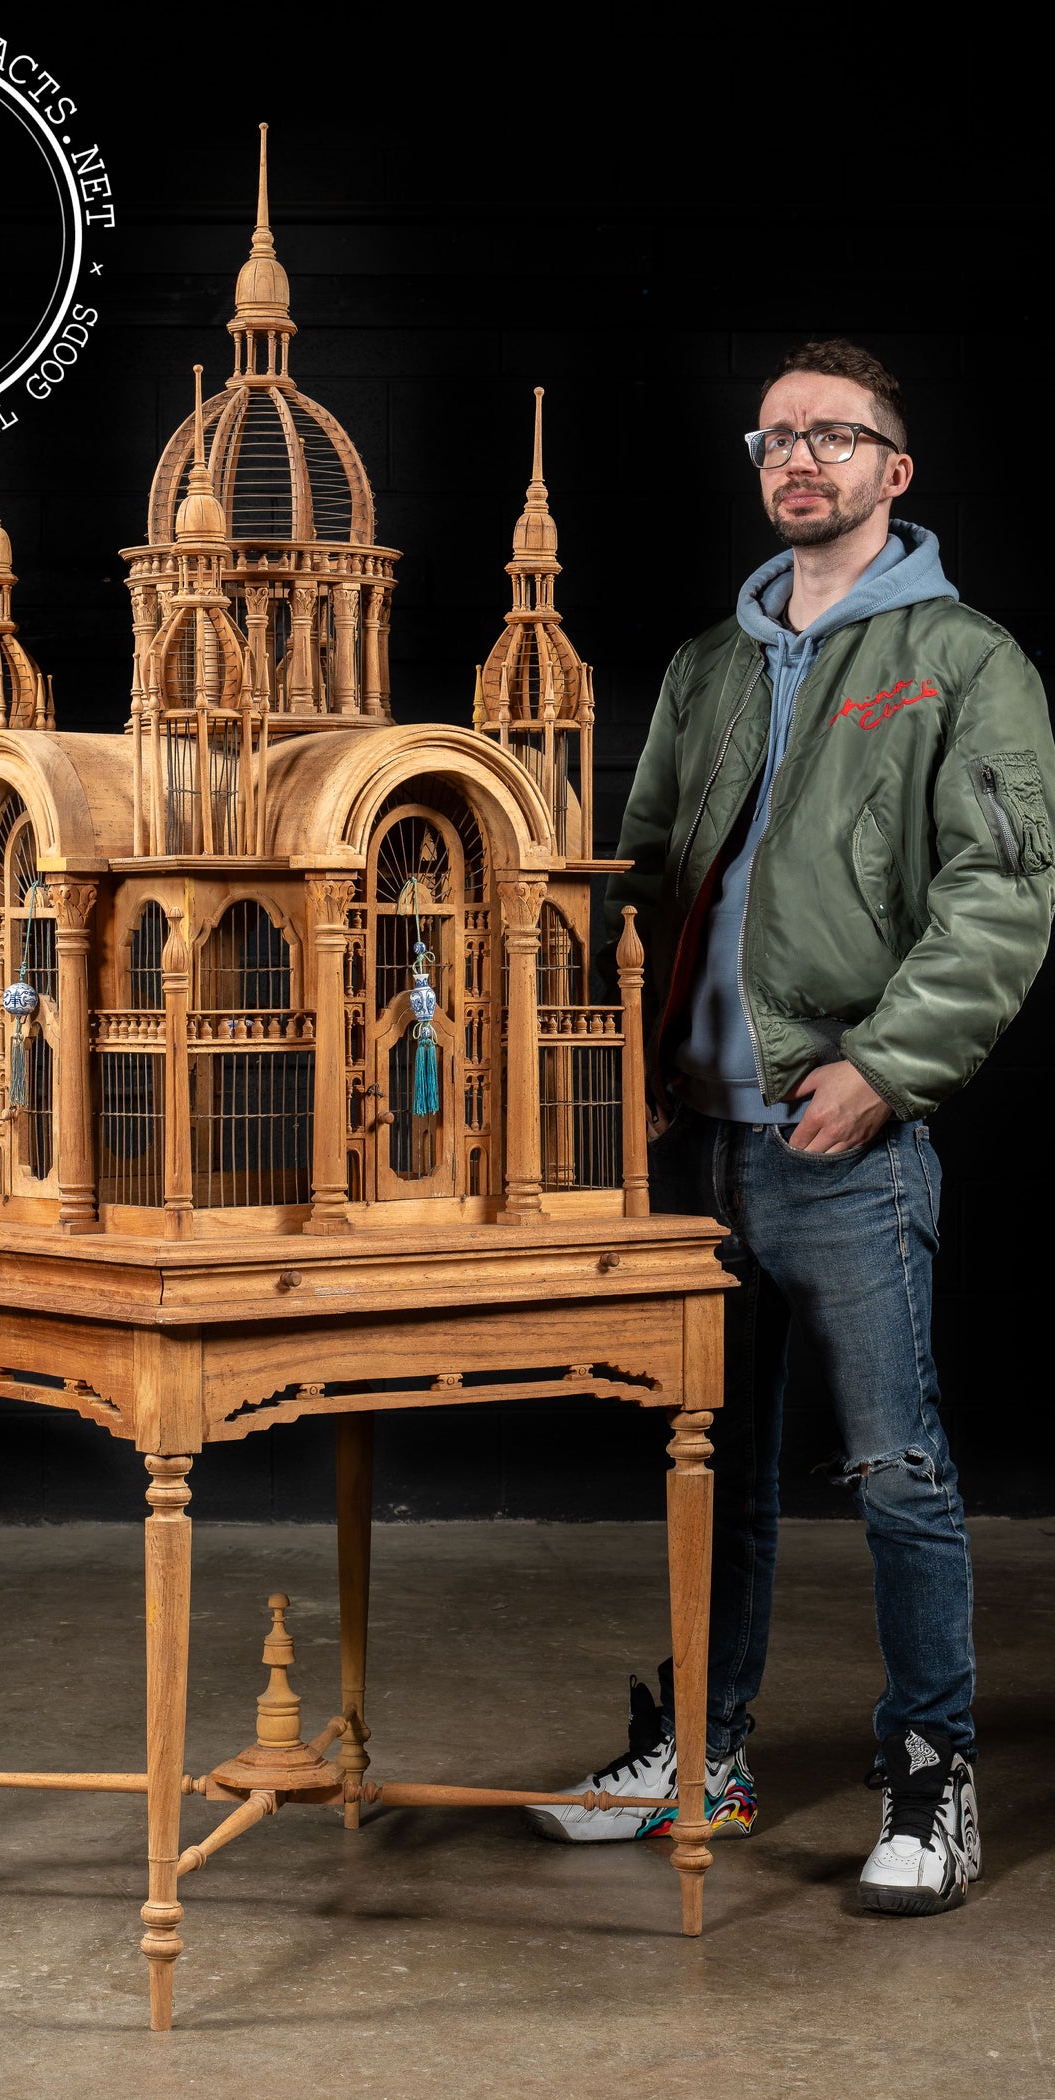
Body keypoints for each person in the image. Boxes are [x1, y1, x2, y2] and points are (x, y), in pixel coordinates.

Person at [527, 340, 1055, 1915]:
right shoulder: (706, 666)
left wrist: (888, 1068)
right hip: (696, 1143)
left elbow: (1000, 895)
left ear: (898, 470)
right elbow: (636, 885)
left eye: (834, 435)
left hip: (846, 1137)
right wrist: (609, 1068)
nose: (798, 458)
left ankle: (933, 1776)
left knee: (896, 1464)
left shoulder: (964, 662)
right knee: (716, 1467)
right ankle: (710, 1755)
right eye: (773, 436)